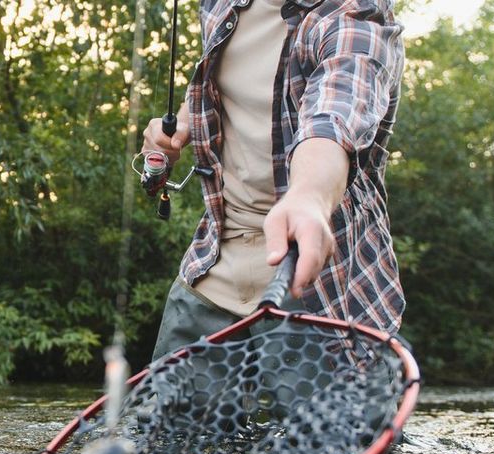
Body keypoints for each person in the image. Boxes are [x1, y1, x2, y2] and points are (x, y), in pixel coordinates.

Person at [143, 0, 405, 360]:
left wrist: (309, 197)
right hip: (211, 273)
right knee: (164, 418)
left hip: (325, 297)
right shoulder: (220, 4)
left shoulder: (357, 18)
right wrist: (182, 125)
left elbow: (335, 113)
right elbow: (229, 82)